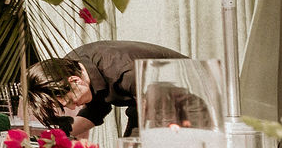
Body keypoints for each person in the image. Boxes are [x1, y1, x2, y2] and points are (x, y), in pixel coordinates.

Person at [26, 40, 189, 139]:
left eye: (70, 101)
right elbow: (95, 110)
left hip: (188, 97)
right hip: (149, 105)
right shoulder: (73, 67)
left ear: (75, 81)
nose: (73, 107)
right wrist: (56, 139)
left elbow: (157, 123)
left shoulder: (125, 73)